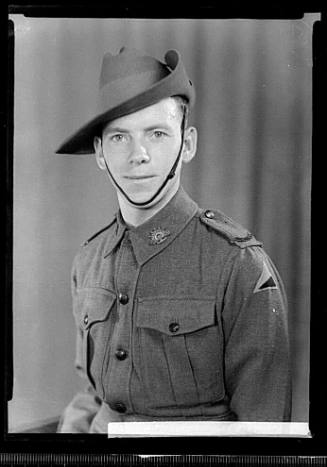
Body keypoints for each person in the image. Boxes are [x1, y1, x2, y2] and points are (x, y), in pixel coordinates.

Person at [56, 47, 291, 433]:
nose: (139, 155)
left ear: (188, 144)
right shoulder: (90, 259)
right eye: (119, 138)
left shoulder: (239, 266)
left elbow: (262, 435)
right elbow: (97, 395)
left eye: (158, 133)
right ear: (99, 152)